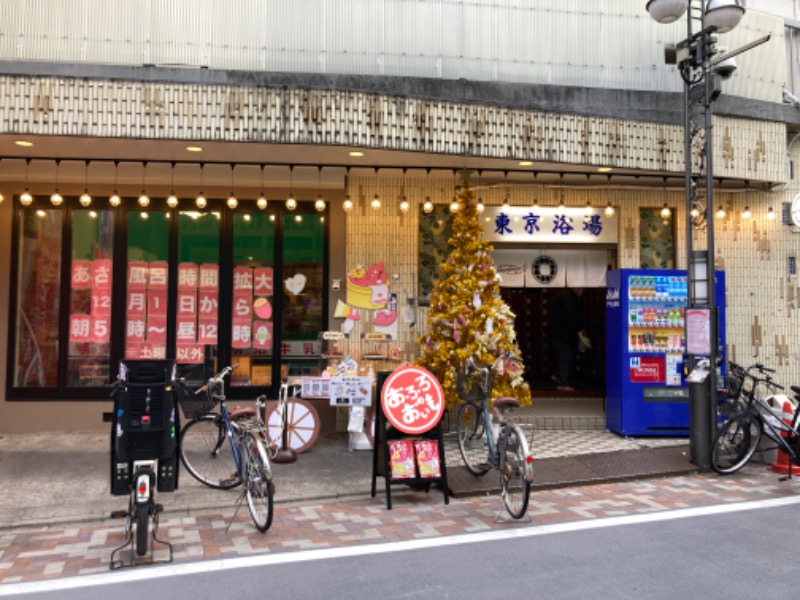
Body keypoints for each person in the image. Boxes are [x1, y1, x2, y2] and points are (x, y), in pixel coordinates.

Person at [546, 287, 588, 391]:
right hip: (560, 334)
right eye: (581, 288)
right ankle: (562, 383)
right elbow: (570, 315)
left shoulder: (565, 295)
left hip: (557, 333)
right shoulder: (568, 298)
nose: (582, 291)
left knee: (565, 355)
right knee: (565, 356)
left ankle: (557, 375)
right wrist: (579, 327)